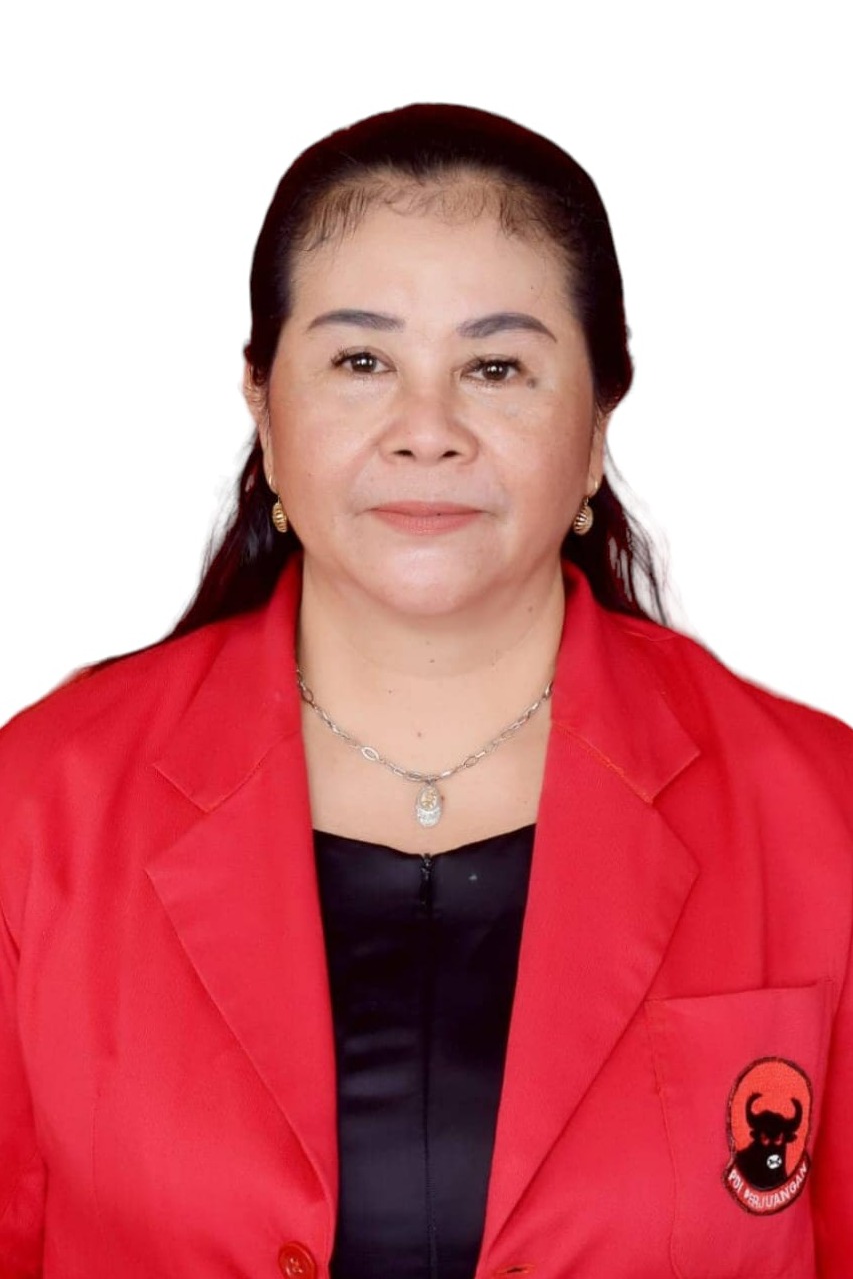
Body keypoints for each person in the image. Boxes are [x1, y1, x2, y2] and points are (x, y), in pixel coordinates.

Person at [0, 103, 851, 1279]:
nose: (427, 430)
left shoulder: (816, 814)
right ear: (262, 403)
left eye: (495, 367)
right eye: (361, 362)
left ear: (596, 421)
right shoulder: (41, 807)